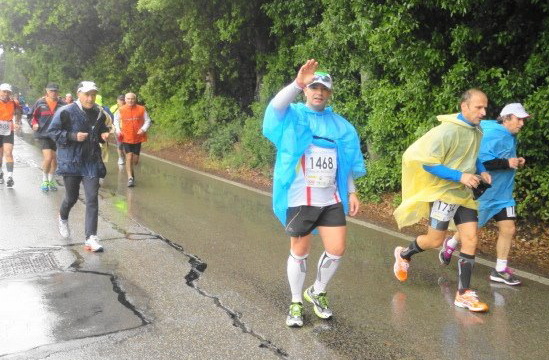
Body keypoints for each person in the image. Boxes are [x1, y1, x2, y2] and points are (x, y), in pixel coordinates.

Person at [263, 59, 366, 327]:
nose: (318, 92)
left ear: (329, 94)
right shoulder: (293, 115)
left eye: (324, 89)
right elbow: (276, 107)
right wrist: (297, 83)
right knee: (300, 249)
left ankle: (317, 291)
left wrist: (352, 191)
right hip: (300, 198)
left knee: (337, 248)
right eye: (313, 87)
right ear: (307, 91)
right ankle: (296, 302)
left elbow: (346, 163)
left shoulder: (341, 126)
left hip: (331, 198)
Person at [392, 89, 492, 312]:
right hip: (443, 193)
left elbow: (473, 157)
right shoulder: (446, 131)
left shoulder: (477, 130)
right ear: (464, 107)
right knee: (435, 241)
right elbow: (428, 163)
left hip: (464, 195)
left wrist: (482, 171)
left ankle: (463, 293)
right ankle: (404, 253)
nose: (484, 112)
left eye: (485, 107)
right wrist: (460, 176)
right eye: (478, 107)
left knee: (471, 238)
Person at [439, 103, 529, 286]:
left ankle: (500, 269)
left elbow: (505, 157)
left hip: (504, 195)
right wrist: (506, 163)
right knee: (474, 228)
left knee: (509, 228)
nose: (522, 123)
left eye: (523, 119)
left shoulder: (510, 135)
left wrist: (516, 161)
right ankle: (450, 244)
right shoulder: (491, 133)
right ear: (506, 118)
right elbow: (480, 162)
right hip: (487, 194)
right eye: (518, 119)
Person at [48, 81, 111, 252]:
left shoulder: (99, 112)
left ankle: (91, 238)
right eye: (87, 94)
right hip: (71, 162)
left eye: (93, 94)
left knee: (92, 199)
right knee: (72, 198)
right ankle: (62, 216)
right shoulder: (66, 111)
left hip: (91, 161)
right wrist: (73, 136)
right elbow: (52, 132)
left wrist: (103, 134)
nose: (90, 98)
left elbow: (99, 130)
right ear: (79, 94)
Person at [30, 82, 66, 191]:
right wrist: (34, 124)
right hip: (44, 134)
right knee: (48, 157)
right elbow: (31, 116)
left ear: (58, 92)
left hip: (57, 135)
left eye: (55, 91)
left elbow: (69, 118)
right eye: (51, 91)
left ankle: (51, 180)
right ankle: (44, 180)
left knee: (55, 160)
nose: (53, 93)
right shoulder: (40, 103)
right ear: (47, 91)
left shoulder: (62, 104)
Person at [114, 92, 151, 187]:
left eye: (132, 99)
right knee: (129, 156)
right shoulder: (121, 109)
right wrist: (118, 130)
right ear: (125, 100)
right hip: (126, 137)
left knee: (135, 160)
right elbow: (116, 120)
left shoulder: (141, 109)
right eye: (128, 99)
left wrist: (143, 129)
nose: (130, 100)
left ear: (135, 99)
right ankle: (130, 178)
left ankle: (131, 173)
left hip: (138, 137)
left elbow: (148, 120)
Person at [0, 83, 22, 188]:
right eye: (4, 91)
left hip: (8, 129)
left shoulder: (14, 102)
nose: (6, 94)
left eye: (8, 92)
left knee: (8, 152)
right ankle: (0, 173)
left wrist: (17, 122)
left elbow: (18, 112)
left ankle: (10, 177)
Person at [110, 94, 126, 165]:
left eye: (123, 100)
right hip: (117, 128)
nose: (122, 101)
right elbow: (109, 118)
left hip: (127, 129)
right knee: (120, 144)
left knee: (127, 144)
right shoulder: (114, 108)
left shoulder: (128, 107)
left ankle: (127, 157)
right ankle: (121, 158)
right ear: (117, 100)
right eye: (121, 100)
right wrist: (112, 126)